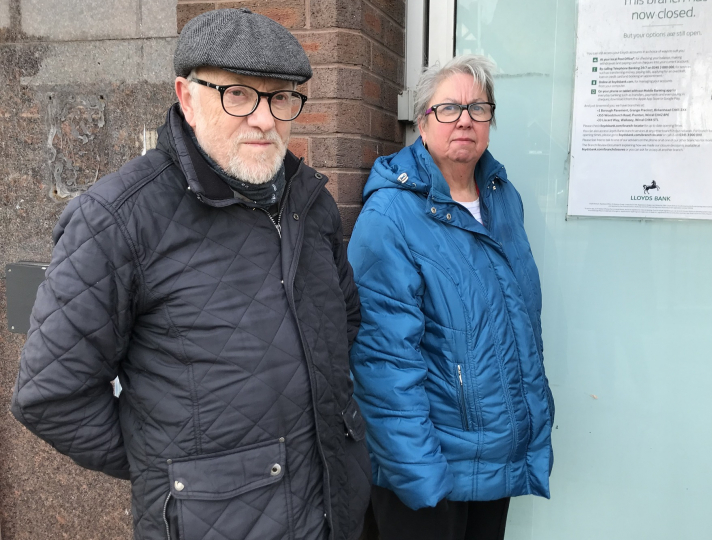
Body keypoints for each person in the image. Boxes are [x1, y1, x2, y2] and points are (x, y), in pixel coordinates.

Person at [10, 8, 370, 540]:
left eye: (280, 97)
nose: (266, 119)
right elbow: (52, 396)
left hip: (331, 510)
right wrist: (182, 468)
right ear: (187, 97)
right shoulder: (118, 218)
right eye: (239, 94)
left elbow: (345, 321)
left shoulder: (308, 200)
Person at [347, 55, 555, 540]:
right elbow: (382, 361)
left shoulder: (503, 197)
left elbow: (518, 321)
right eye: (448, 108)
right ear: (422, 121)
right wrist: (415, 469)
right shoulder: (391, 217)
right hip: (428, 464)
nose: (465, 118)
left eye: (478, 108)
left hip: (494, 456)